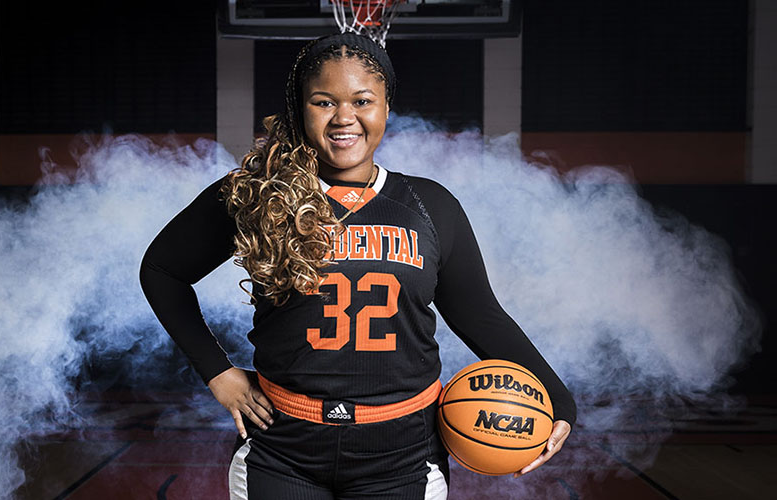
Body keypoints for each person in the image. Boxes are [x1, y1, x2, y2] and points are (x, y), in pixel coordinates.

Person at [140, 32, 576, 500]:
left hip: (402, 455)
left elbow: (478, 315)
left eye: (362, 100)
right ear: (300, 110)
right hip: (283, 450)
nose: (344, 117)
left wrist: (559, 400)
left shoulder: (431, 206)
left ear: (386, 108)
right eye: (323, 102)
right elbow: (162, 271)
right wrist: (217, 373)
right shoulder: (257, 193)